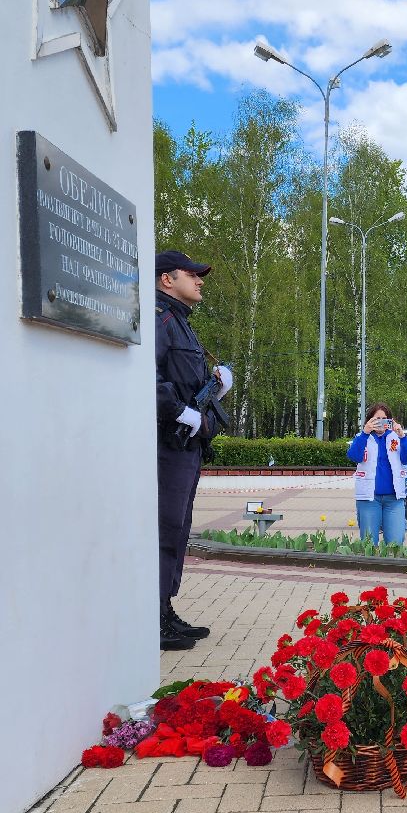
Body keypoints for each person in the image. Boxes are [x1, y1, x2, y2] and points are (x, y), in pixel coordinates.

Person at [155, 250, 228, 652]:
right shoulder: (158, 319)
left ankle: (164, 608)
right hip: (168, 443)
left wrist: (216, 385)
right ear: (167, 279)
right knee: (165, 527)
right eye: (192, 274)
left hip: (185, 445)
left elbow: (187, 384)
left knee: (177, 528)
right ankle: (155, 615)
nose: (200, 280)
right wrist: (181, 412)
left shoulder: (179, 323)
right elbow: (149, 380)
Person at [346, 403, 407, 546]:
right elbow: (354, 456)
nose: (380, 421)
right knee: (369, 543)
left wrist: (402, 437)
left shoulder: (396, 437)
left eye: (384, 418)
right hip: (369, 499)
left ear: (390, 421)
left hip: (394, 499)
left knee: (396, 542)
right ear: (369, 420)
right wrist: (365, 433)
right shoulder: (362, 437)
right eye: (376, 418)